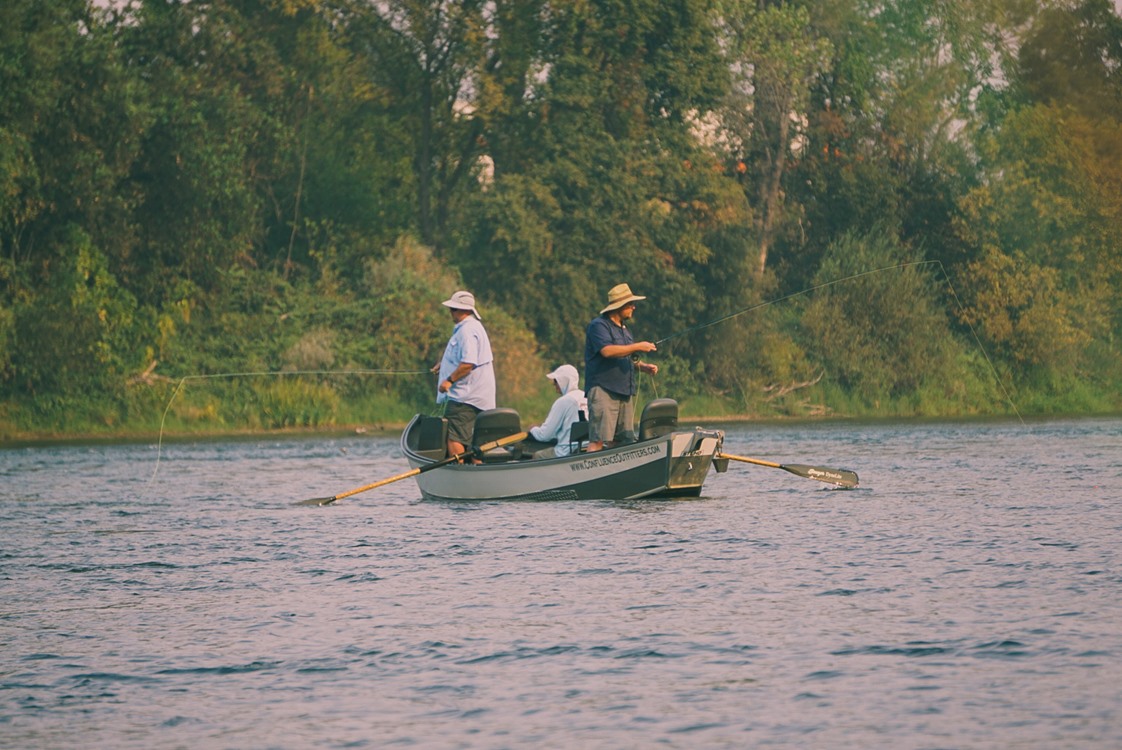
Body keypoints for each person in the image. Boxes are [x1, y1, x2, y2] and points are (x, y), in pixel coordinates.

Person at [583, 283, 658, 452]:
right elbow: (607, 351)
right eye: (630, 304)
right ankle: (592, 475)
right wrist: (638, 346)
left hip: (624, 391)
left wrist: (643, 367)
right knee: (598, 440)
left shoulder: (625, 330)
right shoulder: (599, 326)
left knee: (622, 442)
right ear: (618, 306)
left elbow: (625, 357)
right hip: (603, 390)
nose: (633, 307)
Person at [432, 290, 496, 459]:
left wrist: (449, 380)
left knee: (453, 435)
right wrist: (443, 365)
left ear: (463, 310)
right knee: (474, 440)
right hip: (478, 397)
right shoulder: (472, 327)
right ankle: (473, 469)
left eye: (453, 309)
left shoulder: (467, 331)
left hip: (465, 398)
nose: (450, 312)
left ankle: (460, 470)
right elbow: (462, 357)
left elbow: (468, 363)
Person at [526, 364, 587, 459]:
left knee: (537, 455)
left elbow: (544, 435)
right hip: (586, 448)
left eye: (556, 381)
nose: (554, 384)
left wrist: (533, 429)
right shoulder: (586, 396)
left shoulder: (564, 401)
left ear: (563, 381)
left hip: (567, 452)